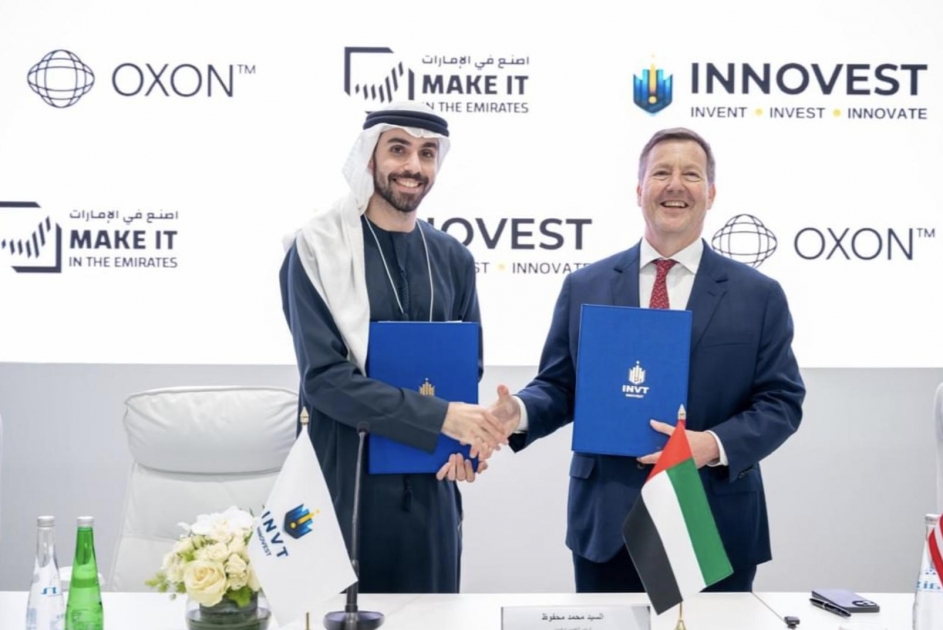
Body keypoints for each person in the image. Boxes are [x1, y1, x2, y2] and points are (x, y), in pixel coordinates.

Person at [447, 127, 805, 592]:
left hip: (713, 522)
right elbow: (560, 386)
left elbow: (781, 401)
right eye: (661, 173)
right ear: (639, 191)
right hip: (607, 525)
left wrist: (712, 444)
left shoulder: (758, 295)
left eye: (691, 175)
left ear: (711, 194)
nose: (675, 185)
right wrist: (518, 411)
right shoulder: (586, 286)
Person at [278, 101, 504, 593]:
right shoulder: (316, 249)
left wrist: (464, 444)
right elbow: (324, 380)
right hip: (344, 487)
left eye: (427, 153)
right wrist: (442, 419)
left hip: (431, 486)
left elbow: (466, 369)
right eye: (398, 149)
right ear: (369, 157)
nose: (413, 166)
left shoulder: (453, 257)